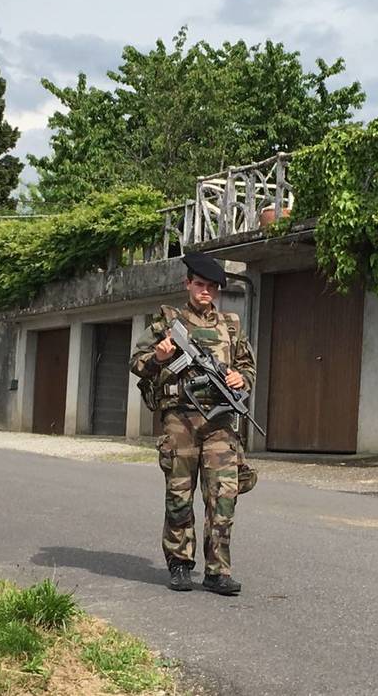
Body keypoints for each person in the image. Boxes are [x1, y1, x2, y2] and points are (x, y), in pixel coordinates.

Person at [129, 252, 256, 595]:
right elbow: (137, 363)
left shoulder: (231, 325)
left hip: (220, 423)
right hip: (180, 420)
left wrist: (239, 378)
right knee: (179, 496)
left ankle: (217, 571)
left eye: (211, 287)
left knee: (223, 497)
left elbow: (248, 366)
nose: (205, 292)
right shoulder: (168, 323)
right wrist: (160, 356)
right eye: (199, 285)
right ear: (188, 284)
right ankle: (181, 565)